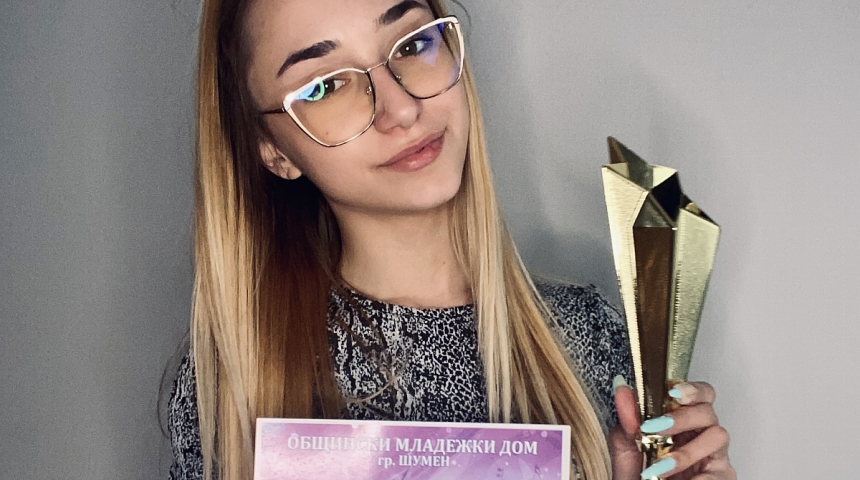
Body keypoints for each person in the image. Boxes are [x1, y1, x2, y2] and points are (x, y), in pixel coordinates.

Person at [167, 0, 735, 479]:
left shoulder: (589, 339)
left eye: (412, 45)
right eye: (326, 85)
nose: (401, 109)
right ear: (273, 150)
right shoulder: (233, 381)